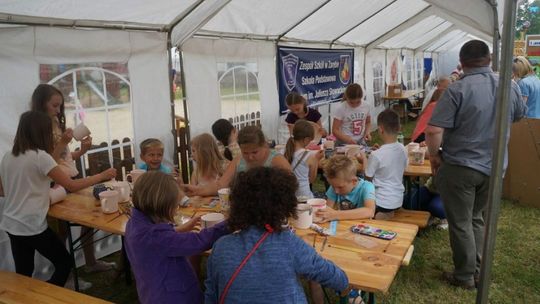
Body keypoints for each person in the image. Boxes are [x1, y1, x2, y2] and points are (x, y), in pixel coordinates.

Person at [425, 40, 526, 289]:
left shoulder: (457, 89)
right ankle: (478, 271)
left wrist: (434, 155)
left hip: (460, 166)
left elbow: (434, 129)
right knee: (476, 218)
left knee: (460, 222)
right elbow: (518, 115)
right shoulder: (509, 86)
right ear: (489, 60)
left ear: (462, 62)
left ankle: (464, 276)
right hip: (494, 166)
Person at [0, 111, 116, 287]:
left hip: (11, 224)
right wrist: (102, 175)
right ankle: (50, 297)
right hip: (31, 225)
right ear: (41, 133)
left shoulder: (9, 156)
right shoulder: (40, 157)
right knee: (64, 263)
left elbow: (2, 190)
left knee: (23, 272)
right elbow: (72, 185)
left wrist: (25, 193)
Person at [204, 167, 349, 304]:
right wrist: (344, 285)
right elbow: (335, 278)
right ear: (285, 206)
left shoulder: (221, 247)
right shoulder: (289, 244)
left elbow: (211, 294)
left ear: (237, 205)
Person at [31, 84, 115, 289]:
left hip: (72, 178)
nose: (58, 111)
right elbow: (45, 162)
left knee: (88, 221)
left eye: (60, 106)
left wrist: (82, 151)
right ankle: (65, 275)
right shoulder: (36, 127)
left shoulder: (55, 124)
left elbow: (65, 158)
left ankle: (91, 263)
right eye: (55, 105)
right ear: (41, 104)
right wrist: (62, 142)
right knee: (62, 230)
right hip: (57, 184)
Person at [125, 171, 229, 304]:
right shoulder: (156, 237)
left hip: (150, 292)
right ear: (161, 206)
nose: (176, 209)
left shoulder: (134, 223)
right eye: (175, 205)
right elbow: (198, 242)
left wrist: (178, 229)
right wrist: (229, 224)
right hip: (173, 297)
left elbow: (157, 242)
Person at [184, 126, 292, 197]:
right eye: (245, 153)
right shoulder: (238, 160)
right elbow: (220, 185)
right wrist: (196, 190)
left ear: (264, 145)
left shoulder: (277, 161)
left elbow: (290, 187)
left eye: (254, 152)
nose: (250, 157)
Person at [358, 109, 407, 220]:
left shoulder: (376, 155)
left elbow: (367, 178)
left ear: (380, 129)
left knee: (358, 191)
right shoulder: (403, 148)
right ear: (399, 128)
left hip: (381, 201)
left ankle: (380, 215)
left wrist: (364, 159)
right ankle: (387, 214)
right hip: (397, 198)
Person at [316, 155, 376, 222]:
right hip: (343, 227)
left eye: (340, 187)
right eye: (332, 186)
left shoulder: (367, 187)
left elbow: (370, 211)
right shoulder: (336, 185)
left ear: (353, 181)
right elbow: (328, 209)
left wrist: (336, 214)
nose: (336, 191)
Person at [283, 120, 323, 199]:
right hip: (304, 195)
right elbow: (311, 179)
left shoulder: (284, 151)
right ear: (306, 139)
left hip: (288, 194)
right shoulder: (309, 155)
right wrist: (317, 159)